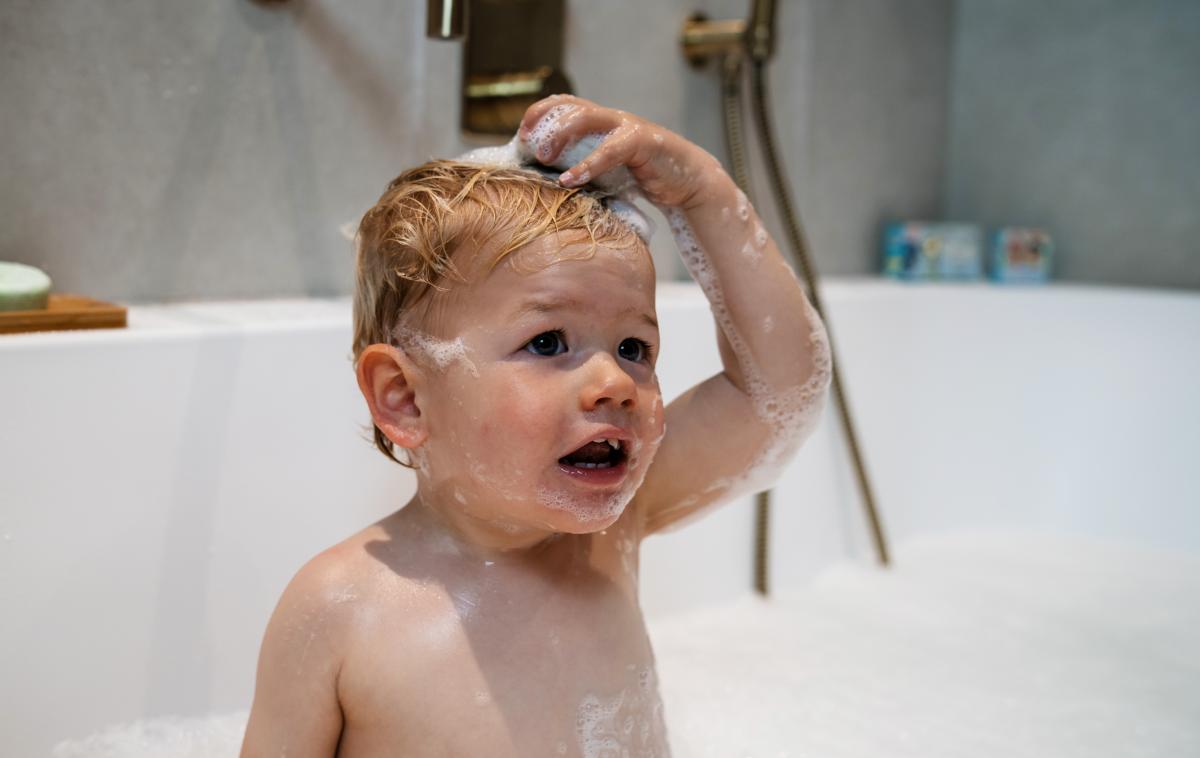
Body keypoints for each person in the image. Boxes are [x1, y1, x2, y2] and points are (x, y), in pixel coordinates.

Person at [240, 95, 831, 757]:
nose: (615, 383)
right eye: (549, 343)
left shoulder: (611, 532)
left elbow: (781, 391)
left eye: (634, 348)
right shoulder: (339, 610)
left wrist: (699, 189)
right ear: (405, 397)